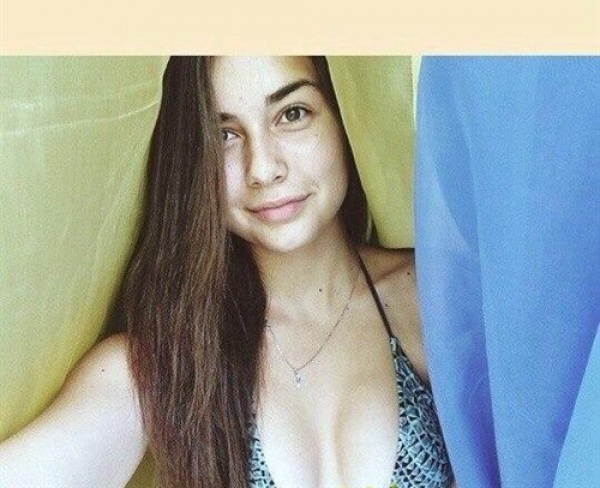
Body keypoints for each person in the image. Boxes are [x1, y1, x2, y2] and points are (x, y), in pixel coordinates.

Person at [0, 56, 454, 488]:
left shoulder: (433, 302)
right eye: (225, 135)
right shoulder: (167, 361)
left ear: (344, 121)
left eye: (293, 114)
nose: (263, 169)